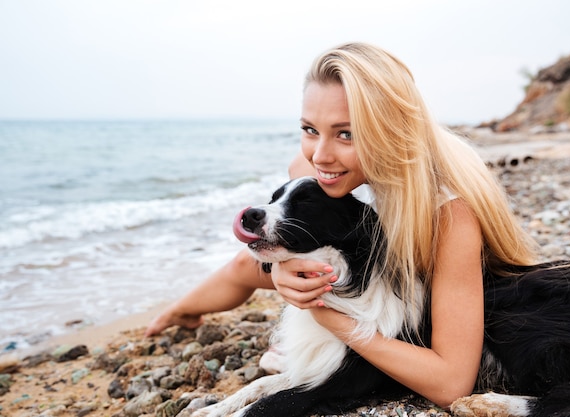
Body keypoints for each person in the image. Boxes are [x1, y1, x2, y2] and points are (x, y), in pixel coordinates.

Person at [145, 42, 539, 408]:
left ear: (392, 131)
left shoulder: (448, 212)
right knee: (244, 265)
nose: (320, 155)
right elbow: (282, 249)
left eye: (346, 133)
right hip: (369, 275)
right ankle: (180, 311)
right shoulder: (315, 167)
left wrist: (324, 313)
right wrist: (282, 271)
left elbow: (451, 383)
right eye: (310, 129)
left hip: (448, 296)